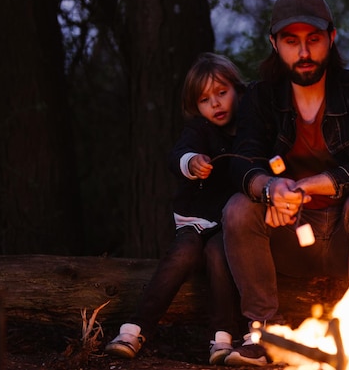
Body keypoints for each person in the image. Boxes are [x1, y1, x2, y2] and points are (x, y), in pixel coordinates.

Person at [221, 0, 349, 367]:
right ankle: (264, 329)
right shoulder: (260, 97)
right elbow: (242, 159)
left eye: (313, 40)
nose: (303, 53)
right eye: (291, 41)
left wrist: (326, 181)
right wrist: (270, 189)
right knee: (239, 208)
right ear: (274, 43)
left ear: (331, 39)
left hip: (345, 240)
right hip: (288, 236)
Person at [105, 53, 246, 365]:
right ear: (196, 106)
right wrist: (192, 162)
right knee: (182, 254)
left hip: (229, 225)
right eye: (205, 99)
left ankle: (222, 337)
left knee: (217, 254)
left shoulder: (251, 128)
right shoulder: (199, 130)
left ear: (238, 89)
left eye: (222, 93)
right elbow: (177, 155)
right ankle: (135, 328)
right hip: (195, 220)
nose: (216, 104)